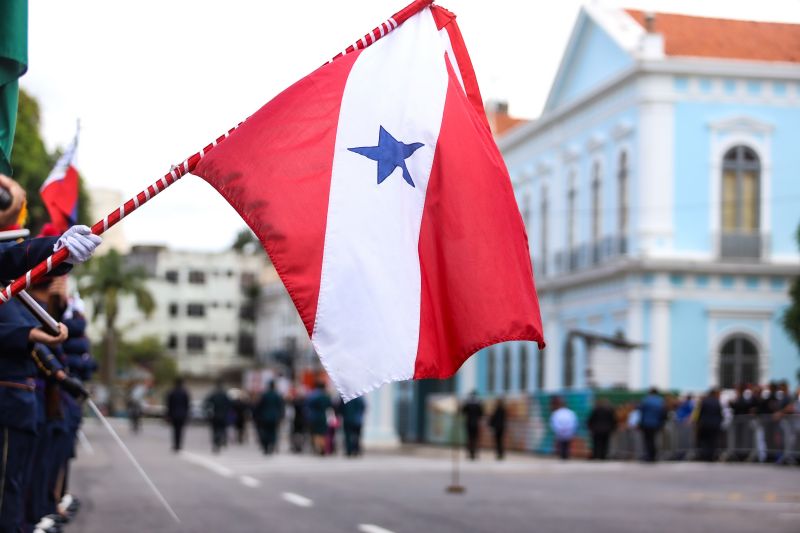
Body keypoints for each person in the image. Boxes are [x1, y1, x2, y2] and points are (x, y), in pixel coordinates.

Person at [254, 381, 284, 455]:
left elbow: (259, 406)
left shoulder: (264, 395)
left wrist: (257, 416)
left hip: (264, 417)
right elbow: (281, 407)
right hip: (274, 417)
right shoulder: (277, 395)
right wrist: (281, 416)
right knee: (273, 432)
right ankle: (272, 445)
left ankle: (266, 446)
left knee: (265, 432)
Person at [638, 387, 667, 462]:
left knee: (648, 440)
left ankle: (649, 455)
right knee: (654, 439)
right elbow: (663, 413)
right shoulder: (661, 401)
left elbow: (641, 411)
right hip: (657, 423)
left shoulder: (646, 400)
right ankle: (654, 455)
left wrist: (640, 423)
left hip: (646, 423)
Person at [204, 380, 231, 453]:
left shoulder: (213, 395)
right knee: (221, 429)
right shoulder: (225, 395)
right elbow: (230, 405)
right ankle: (220, 441)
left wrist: (208, 412)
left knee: (215, 430)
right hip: (223, 415)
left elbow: (206, 403)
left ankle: (216, 443)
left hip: (215, 415)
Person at [696, 388, 723, 461]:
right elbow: (720, 414)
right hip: (715, 424)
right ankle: (712, 456)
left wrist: (698, 422)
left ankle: (705, 455)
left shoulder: (704, 401)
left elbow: (700, 413)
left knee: (705, 440)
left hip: (705, 424)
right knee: (713, 440)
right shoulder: (717, 402)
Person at [306, 381, 332, 455]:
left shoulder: (312, 395)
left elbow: (307, 405)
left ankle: (318, 447)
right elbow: (329, 405)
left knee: (315, 433)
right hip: (323, 416)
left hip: (313, 416)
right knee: (323, 432)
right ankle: (322, 446)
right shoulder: (326, 396)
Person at [165, 377, 191, 452]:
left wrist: (168, 415)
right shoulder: (185, 392)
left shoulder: (171, 392)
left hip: (173, 414)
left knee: (175, 430)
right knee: (180, 430)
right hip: (182, 414)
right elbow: (187, 405)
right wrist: (187, 414)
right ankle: (179, 445)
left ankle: (175, 445)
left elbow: (169, 405)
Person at [462, 390, 484, 460]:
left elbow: (463, 412)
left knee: (469, 438)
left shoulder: (467, 403)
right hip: (476, 423)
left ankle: (470, 453)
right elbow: (481, 413)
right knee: (475, 439)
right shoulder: (478, 403)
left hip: (469, 423)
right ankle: (474, 453)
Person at [289, 389, 307, 453]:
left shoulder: (296, 402)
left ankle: (296, 446)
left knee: (296, 434)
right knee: (300, 434)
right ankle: (299, 446)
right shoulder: (304, 402)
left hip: (296, 420)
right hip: (301, 420)